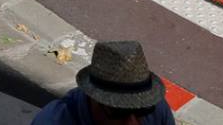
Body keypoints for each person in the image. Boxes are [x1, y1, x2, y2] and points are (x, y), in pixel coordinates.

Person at [29, 40, 178, 125]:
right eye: (119, 112)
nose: (132, 123)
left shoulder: (157, 109)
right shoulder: (53, 121)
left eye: (142, 111)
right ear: (92, 98)